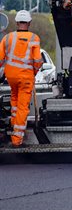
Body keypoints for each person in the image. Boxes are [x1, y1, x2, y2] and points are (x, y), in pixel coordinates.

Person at [0, 10, 42, 147]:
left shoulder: (7, 38)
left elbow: (0, 59)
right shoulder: (34, 38)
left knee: (15, 101)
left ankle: (13, 124)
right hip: (26, 78)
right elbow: (37, 61)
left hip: (11, 76)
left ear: (17, 22)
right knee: (23, 107)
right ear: (29, 23)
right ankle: (17, 139)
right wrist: (34, 73)